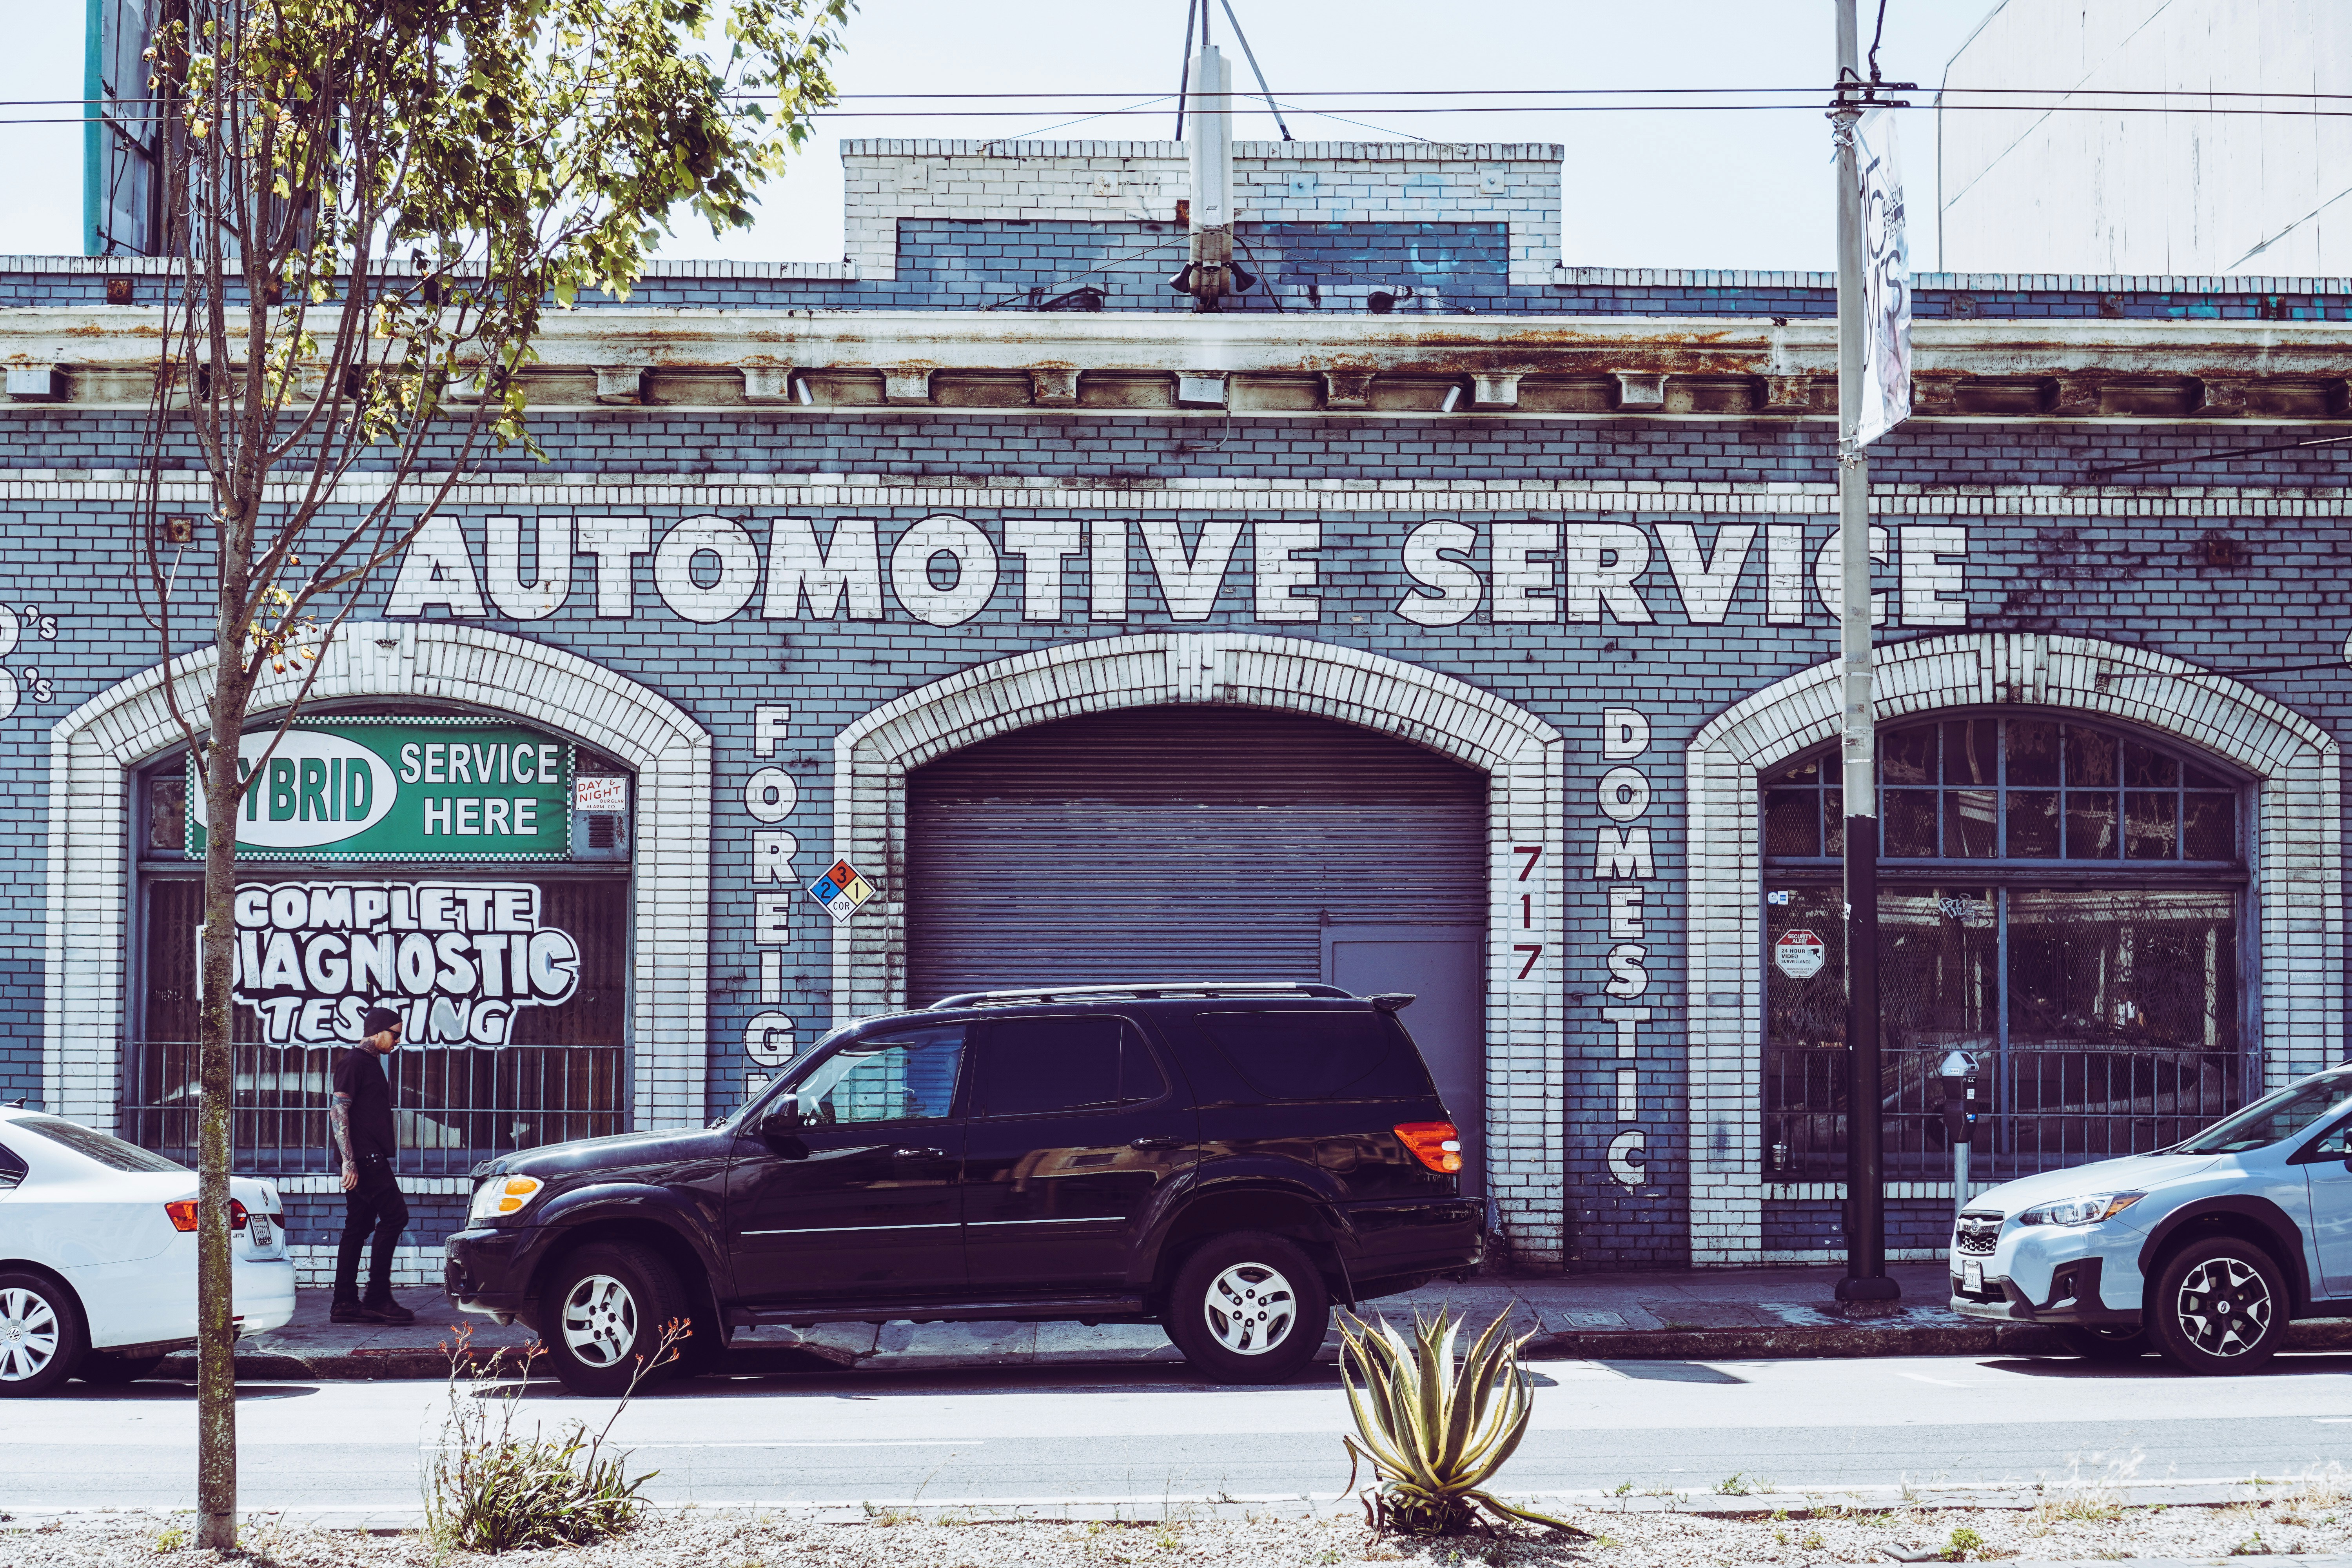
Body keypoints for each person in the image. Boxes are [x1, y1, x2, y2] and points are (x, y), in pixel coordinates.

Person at [330, 1007, 415, 1325]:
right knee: (396, 1216)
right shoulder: (354, 1062)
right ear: (377, 1031)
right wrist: (350, 1163)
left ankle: (344, 1302)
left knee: (358, 1226)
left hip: (366, 1157)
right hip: (365, 1160)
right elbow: (338, 1112)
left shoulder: (371, 1063)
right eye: (395, 1034)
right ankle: (378, 1296)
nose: (398, 1041)